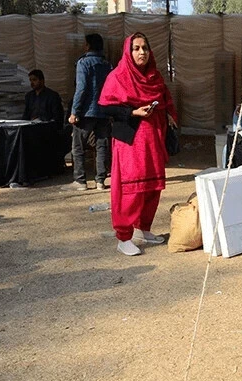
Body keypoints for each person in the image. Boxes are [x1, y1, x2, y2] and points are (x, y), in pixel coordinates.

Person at [99, 32, 177, 257]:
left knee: (153, 188)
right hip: (131, 142)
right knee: (132, 189)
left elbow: (166, 99)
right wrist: (132, 111)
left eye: (145, 47)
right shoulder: (118, 77)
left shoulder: (155, 77)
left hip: (153, 138)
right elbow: (105, 106)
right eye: (136, 48)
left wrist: (169, 114)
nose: (141, 52)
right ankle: (124, 237)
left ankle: (143, 229)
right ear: (128, 51)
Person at [64, 33, 112, 191]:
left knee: (78, 147)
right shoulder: (107, 64)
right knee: (101, 146)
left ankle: (80, 180)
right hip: (104, 110)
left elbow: (82, 88)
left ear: (88, 46)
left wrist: (74, 111)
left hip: (86, 112)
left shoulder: (83, 62)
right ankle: (100, 181)